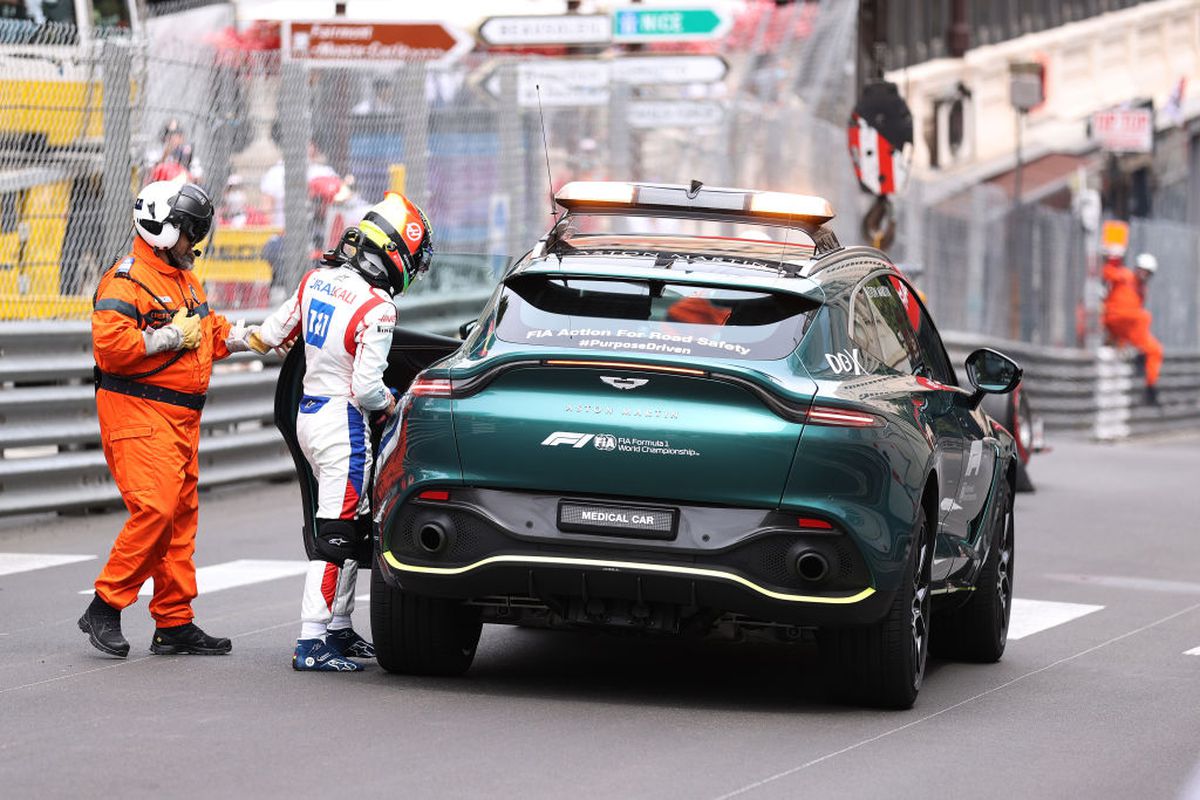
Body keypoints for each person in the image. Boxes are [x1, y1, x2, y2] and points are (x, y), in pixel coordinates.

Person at [245, 192, 434, 672]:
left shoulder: (316, 280)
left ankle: (339, 627)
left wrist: (216, 339)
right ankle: (311, 639)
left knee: (349, 525)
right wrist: (397, 403)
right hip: (344, 425)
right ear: (398, 256)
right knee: (338, 533)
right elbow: (368, 389)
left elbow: (267, 336)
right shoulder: (378, 308)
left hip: (308, 414)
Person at [80, 181, 255, 658]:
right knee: (155, 511)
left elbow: (208, 331)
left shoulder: (182, 278)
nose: (193, 243)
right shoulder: (126, 280)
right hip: (138, 413)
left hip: (178, 420)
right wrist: (168, 337)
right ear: (161, 229)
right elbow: (112, 348)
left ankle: (174, 621)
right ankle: (105, 605)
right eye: (188, 233)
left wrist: (251, 338)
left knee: (179, 521)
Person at [1103, 247, 1163, 405]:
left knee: (1155, 349)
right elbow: (1108, 272)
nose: (1144, 275)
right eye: (1142, 270)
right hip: (1115, 319)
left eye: (1147, 272)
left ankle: (1151, 386)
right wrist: (1112, 257)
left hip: (1128, 330)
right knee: (1144, 317)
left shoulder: (1142, 290)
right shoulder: (1125, 275)